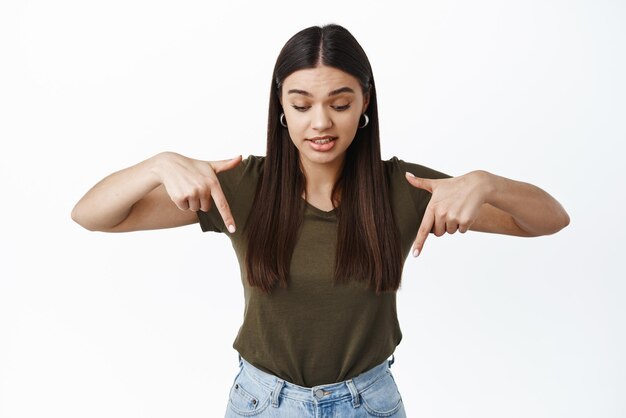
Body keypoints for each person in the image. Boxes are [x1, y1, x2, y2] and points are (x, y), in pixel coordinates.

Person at [71, 23, 570, 418]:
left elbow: (549, 219)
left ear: (365, 104)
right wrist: (156, 165)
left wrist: (487, 181)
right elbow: (93, 215)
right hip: (261, 404)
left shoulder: (406, 189)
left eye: (340, 103)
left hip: (368, 403)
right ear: (282, 108)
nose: (321, 123)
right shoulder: (244, 187)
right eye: (302, 104)